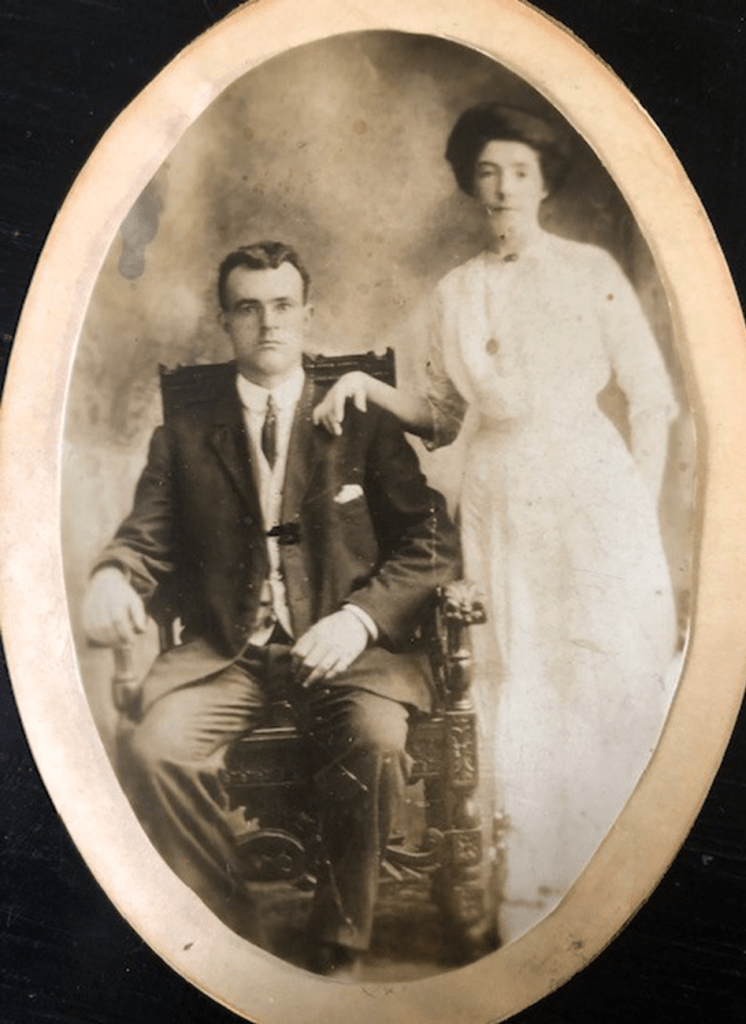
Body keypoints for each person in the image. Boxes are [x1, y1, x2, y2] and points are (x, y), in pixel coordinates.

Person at [313, 103, 680, 941]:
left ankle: (611, 885)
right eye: (487, 172)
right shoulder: (456, 290)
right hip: (499, 497)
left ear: (545, 182)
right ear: (470, 185)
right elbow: (443, 416)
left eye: (519, 171)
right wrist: (366, 388)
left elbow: (652, 400)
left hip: (590, 492)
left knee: (592, 669)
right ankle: (527, 897)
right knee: (513, 672)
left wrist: (636, 511)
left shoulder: (589, 270)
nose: (504, 187)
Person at [82, 240, 460, 976]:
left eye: (283, 305)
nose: (268, 323)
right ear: (225, 320)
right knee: (155, 752)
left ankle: (338, 939)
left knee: (376, 741)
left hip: (350, 657)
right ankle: (233, 934)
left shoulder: (362, 420)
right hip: (230, 657)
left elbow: (432, 538)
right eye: (248, 308)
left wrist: (358, 619)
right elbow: (144, 537)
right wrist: (115, 576)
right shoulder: (185, 433)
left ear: (307, 314)